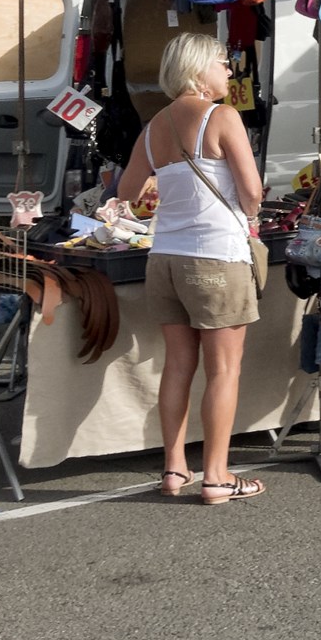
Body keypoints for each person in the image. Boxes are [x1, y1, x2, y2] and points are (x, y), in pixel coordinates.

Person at [116, 35, 266, 503]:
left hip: (165, 258)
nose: (230, 72)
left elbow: (126, 191)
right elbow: (253, 191)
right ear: (199, 70)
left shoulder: (154, 125)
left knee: (178, 365)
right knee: (224, 369)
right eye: (223, 63)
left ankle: (174, 469)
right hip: (215, 255)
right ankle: (217, 476)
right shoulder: (222, 117)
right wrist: (249, 213)